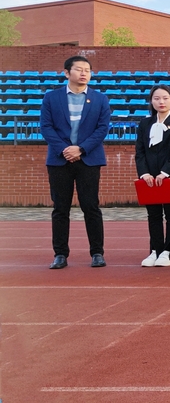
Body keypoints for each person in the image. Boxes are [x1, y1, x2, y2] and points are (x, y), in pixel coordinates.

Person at [41, 55, 111, 269]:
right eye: (79, 69)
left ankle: (97, 253)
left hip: (88, 159)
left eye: (87, 70)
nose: (84, 73)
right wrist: (65, 149)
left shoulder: (100, 99)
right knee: (60, 208)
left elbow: (102, 128)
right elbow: (46, 127)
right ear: (66, 72)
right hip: (59, 160)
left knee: (91, 207)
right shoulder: (51, 98)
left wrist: (80, 149)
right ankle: (60, 254)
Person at [135, 84, 170, 267]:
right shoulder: (145, 124)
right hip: (149, 178)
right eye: (157, 98)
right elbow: (140, 152)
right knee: (153, 215)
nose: (161, 102)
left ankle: (169, 253)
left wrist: (164, 173)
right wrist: (144, 173)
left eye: (165, 98)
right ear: (151, 101)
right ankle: (155, 250)